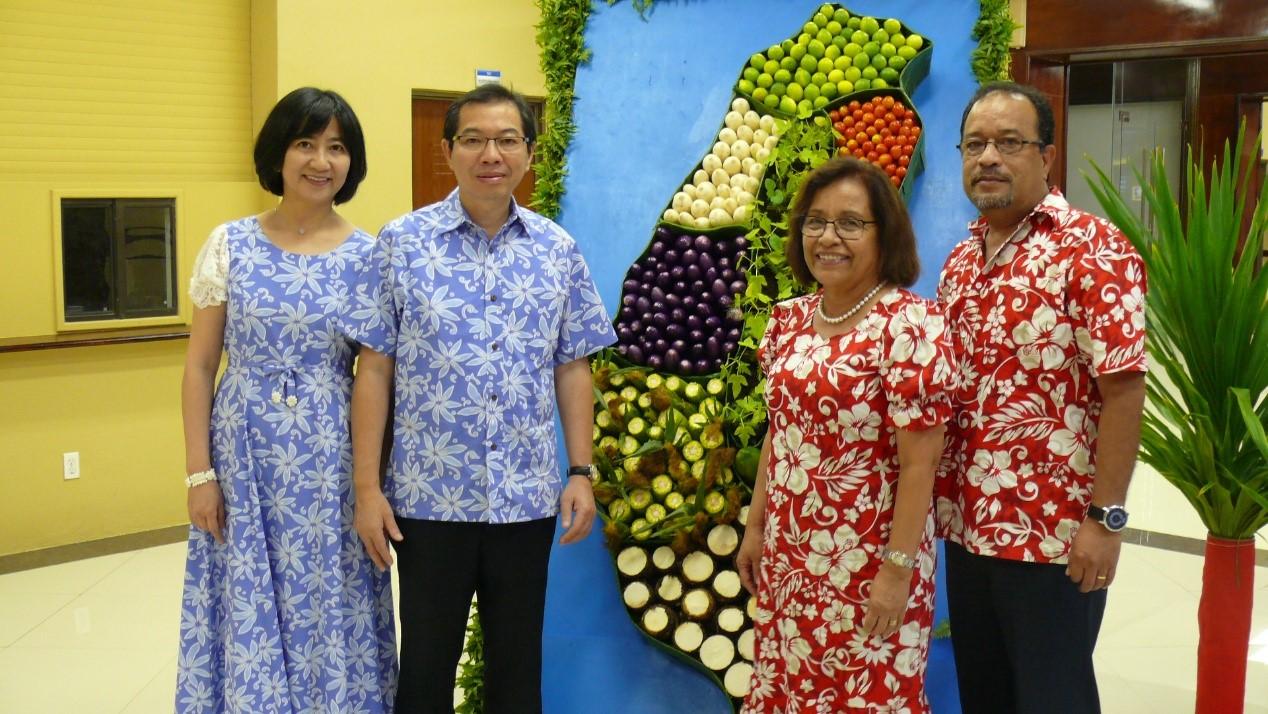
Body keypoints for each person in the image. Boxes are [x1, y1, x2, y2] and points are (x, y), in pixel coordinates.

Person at [342, 83, 616, 714]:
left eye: (507, 139)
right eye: (474, 139)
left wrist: (580, 470)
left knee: (517, 673)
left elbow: (571, 366)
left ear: (528, 152)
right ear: (449, 151)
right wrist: (366, 489)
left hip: (523, 499)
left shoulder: (557, 250)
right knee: (427, 674)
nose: (491, 152)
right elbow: (374, 370)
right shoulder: (402, 244)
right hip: (428, 499)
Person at [176, 87, 397, 712]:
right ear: (278, 153)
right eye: (305, 143)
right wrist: (200, 473)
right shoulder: (230, 244)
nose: (320, 160)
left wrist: (369, 486)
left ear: (351, 163)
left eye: (336, 147)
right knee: (248, 590)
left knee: (333, 595)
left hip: (333, 458)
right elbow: (199, 367)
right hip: (244, 457)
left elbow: (375, 375)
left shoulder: (370, 256)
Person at [935, 81, 1148, 714]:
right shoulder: (960, 262)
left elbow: (1124, 390)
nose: (989, 158)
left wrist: (1105, 520)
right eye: (975, 144)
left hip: (1054, 538)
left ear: (1046, 155)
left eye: (1009, 142)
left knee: (1054, 699)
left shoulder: (1093, 249)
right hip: (969, 532)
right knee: (988, 696)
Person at [735, 157, 954, 713]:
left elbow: (920, 466)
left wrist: (896, 572)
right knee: (791, 691)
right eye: (816, 221)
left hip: (868, 565)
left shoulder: (911, 327)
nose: (829, 238)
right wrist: (756, 525)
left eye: (851, 223)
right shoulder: (789, 320)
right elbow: (779, 434)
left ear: (886, 234)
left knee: (868, 696)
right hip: (790, 561)